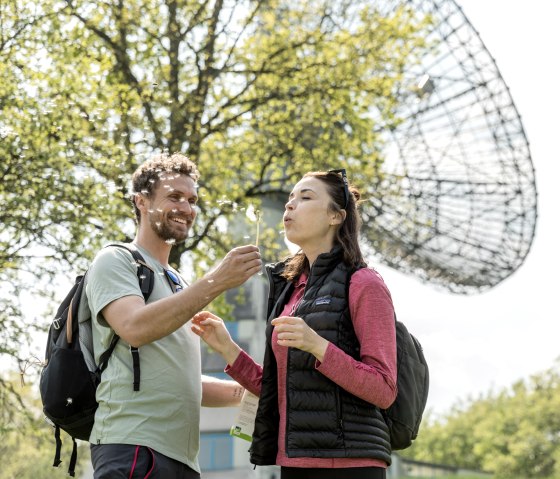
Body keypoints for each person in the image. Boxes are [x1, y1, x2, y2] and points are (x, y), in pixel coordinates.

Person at [191, 169, 398, 479]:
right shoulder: (290, 292)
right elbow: (274, 390)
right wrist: (226, 348)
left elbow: (383, 389)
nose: (290, 205)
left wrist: (317, 345)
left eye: (305, 197)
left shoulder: (364, 283)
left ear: (335, 216)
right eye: (290, 199)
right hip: (293, 463)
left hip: (350, 464)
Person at [84, 153, 262, 478]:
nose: (186, 208)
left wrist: (248, 392)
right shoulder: (116, 260)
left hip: (184, 461)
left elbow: (183, 382)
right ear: (141, 201)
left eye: (192, 200)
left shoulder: (179, 284)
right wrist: (218, 280)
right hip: (133, 447)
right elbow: (134, 327)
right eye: (175, 197)